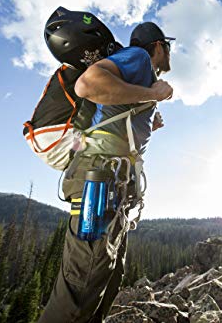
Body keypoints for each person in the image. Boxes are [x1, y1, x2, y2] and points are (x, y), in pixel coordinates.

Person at [38, 21, 174, 323]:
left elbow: (113, 118)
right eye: (167, 46)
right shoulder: (138, 57)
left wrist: (148, 113)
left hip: (113, 184)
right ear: (157, 46)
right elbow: (87, 84)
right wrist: (154, 94)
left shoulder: (141, 73)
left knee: (105, 282)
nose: (169, 53)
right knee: (81, 287)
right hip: (101, 178)